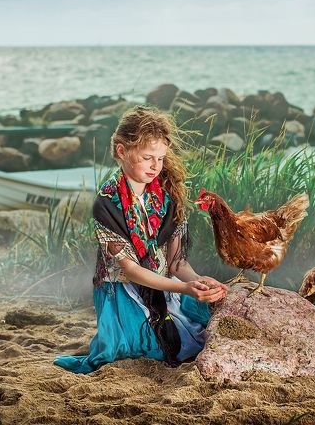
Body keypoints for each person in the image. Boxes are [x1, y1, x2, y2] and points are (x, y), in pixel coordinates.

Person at [54, 106, 227, 374]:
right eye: (147, 158)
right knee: (145, 349)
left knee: (201, 331)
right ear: (122, 151)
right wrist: (184, 289)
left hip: (165, 284)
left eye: (160, 158)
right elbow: (132, 270)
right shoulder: (107, 203)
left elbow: (176, 262)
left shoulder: (169, 194)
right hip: (123, 290)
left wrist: (196, 281)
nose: (156, 166)